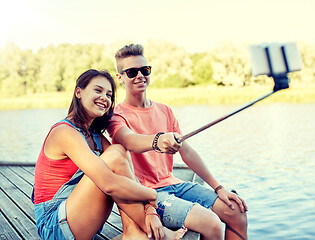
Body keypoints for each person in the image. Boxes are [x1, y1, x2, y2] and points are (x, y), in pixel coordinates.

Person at [107, 44, 248, 240]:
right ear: (120, 78)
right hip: (149, 194)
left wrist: (218, 187)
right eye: (131, 72)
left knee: (236, 211)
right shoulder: (116, 115)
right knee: (212, 224)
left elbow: (187, 152)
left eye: (144, 70)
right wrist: (158, 140)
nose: (139, 75)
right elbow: (130, 141)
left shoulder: (165, 110)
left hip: (173, 184)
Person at [32, 69, 187, 240]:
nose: (105, 98)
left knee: (118, 151)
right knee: (114, 157)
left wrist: (151, 209)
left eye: (109, 95)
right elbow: (109, 184)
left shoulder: (96, 137)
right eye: (98, 90)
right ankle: (148, 232)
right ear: (78, 92)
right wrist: (152, 195)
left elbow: (126, 173)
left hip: (76, 217)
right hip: (54, 224)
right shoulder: (64, 132)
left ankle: (132, 232)